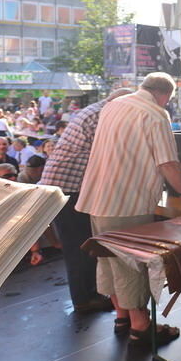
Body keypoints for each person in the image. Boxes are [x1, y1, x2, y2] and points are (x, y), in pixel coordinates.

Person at [76, 74, 181, 347]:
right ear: (165, 95)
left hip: (97, 196)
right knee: (131, 265)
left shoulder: (114, 104)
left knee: (108, 259)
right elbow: (167, 164)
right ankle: (141, 326)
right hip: (127, 199)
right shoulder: (155, 113)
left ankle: (122, 316)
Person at [39, 88, 133, 315]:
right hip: (68, 187)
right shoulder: (103, 115)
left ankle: (89, 294)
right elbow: (108, 154)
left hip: (65, 184)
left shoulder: (95, 110)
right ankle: (84, 299)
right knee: (79, 245)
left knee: (80, 243)